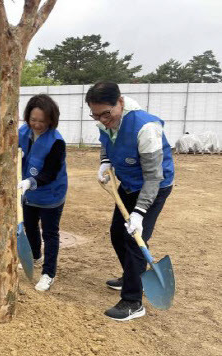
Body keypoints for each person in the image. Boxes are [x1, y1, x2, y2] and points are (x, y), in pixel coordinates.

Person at [86, 82, 174, 321]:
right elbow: (107, 143)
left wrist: (139, 213)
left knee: (135, 239)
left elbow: (154, 177)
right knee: (117, 233)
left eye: (107, 113)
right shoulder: (104, 121)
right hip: (127, 184)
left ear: (120, 103)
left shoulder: (145, 127)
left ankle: (133, 301)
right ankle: (131, 274)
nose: (103, 119)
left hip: (154, 187)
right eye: (96, 115)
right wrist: (105, 161)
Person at [18, 94, 68, 292]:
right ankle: (35, 256)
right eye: (33, 120)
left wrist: (30, 182)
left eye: (42, 121)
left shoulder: (56, 142)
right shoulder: (22, 132)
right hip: (28, 193)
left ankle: (49, 273)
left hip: (51, 194)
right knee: (30, 226)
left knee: (50, 233)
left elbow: (50, 172)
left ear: (51, 120)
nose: (37, 125)